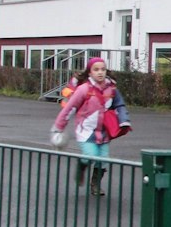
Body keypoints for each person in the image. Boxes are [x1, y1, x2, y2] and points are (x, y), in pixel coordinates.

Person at [51, 57, 131, 195]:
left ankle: (95, 184)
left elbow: (120, 105)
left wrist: (124, 120)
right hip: (86, 132)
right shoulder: (83, 89)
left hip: (104, 132)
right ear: (89, 72)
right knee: (91, 155)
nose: (100, 72)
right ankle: (82, 166)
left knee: (103, 159)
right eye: (96, 70)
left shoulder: (111, 89)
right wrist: (58, 128)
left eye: (103, 69)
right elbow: (69, 108)